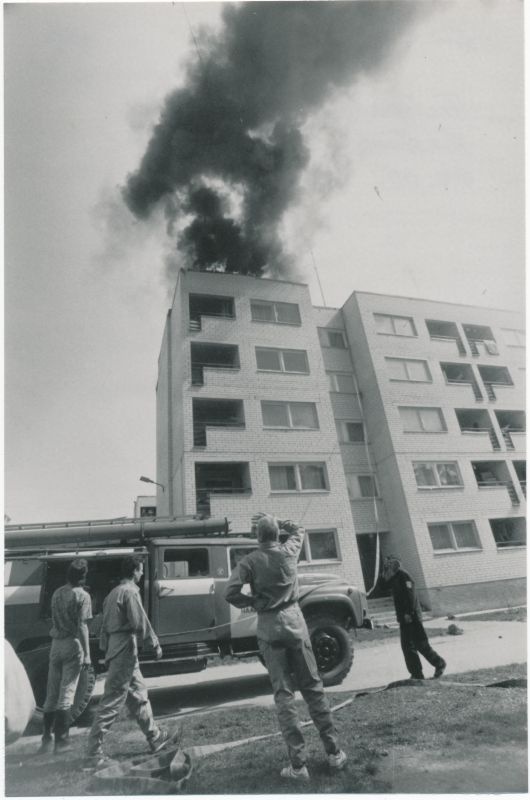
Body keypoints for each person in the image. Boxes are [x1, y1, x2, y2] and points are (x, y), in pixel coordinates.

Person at [225, 513, 347, 782]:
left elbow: (230, 592)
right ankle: (334, 753)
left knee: (284, 695)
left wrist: (255, 601)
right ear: (277, 534)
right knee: (314, 688)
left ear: (257, 537)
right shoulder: (289, 550)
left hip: (270, 628)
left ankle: (298, 765)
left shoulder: (249, 561)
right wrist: (279, 520)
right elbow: (300, 527)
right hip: (295, 623)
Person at [85, 555, 169, 766]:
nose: (142, 574)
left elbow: (104, 626)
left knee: (139, 694)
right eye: (141, 570)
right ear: (134, 571)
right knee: (112, 702)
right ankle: (92, 754)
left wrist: (106, 651)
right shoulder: (130, 592)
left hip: (118, 649)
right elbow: (140, 622)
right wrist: (154, 644)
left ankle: (155, 737)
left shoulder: (112, 593)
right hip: (124, 650)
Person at [39, 558, 92, 754]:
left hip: (56, 644)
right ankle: (61, 742)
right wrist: (87, 654)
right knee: (67, 693)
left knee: (51, 693)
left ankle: (46, 738)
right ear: (83, 576)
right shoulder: (83, 596)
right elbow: (82, 626)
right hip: (72, 643)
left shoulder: (57, 593)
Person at [383, 555, 446, 680]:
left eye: (392, 563)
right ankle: (418, 673)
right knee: (409, 646)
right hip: (404, 617)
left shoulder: (404, 575)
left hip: (411, 617)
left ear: (398, 563)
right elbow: (383, 586)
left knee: (419, 644)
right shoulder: (395, 577)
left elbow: (410, 595)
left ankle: (438, 663)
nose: (390, 565)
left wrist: (408, 613)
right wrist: (384, 571)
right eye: (388, 564)